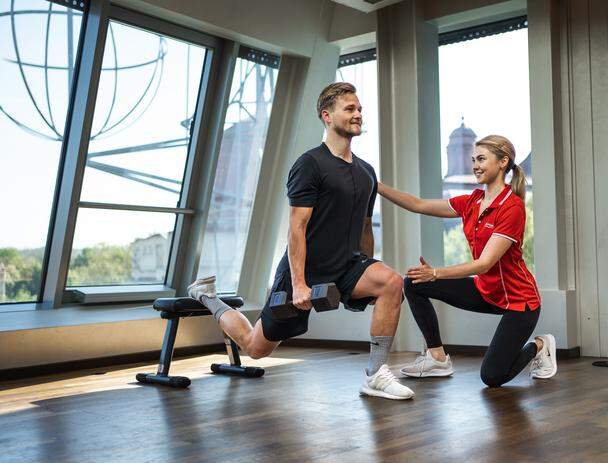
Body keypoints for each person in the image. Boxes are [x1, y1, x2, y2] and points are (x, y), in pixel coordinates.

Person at [188, 83, 414, 400]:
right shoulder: (310, 164)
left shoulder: (366, 173)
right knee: (255, 347)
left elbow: (365, 227)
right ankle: (206, 295)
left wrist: (366, 266)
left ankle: (375, 374)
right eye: (350, 109)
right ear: (326, 115)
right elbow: (297, 227)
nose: (358, 114)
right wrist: (298, 284)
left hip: (348, 264)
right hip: (305, 269)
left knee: (391, 282)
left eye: (359, 109)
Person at [378, 135, 557, 387]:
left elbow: (485, 264)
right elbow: (418, 204)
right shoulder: (471, 201)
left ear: (503, 162)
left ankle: (540, 346)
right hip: (487, 291)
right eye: (473, 159)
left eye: (482, 159)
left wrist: (437, 273)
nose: (475, 165)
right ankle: (437, 358)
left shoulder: (511, 207)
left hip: (519, 301)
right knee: (414, 283)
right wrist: (376, 186)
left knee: (492, 377)